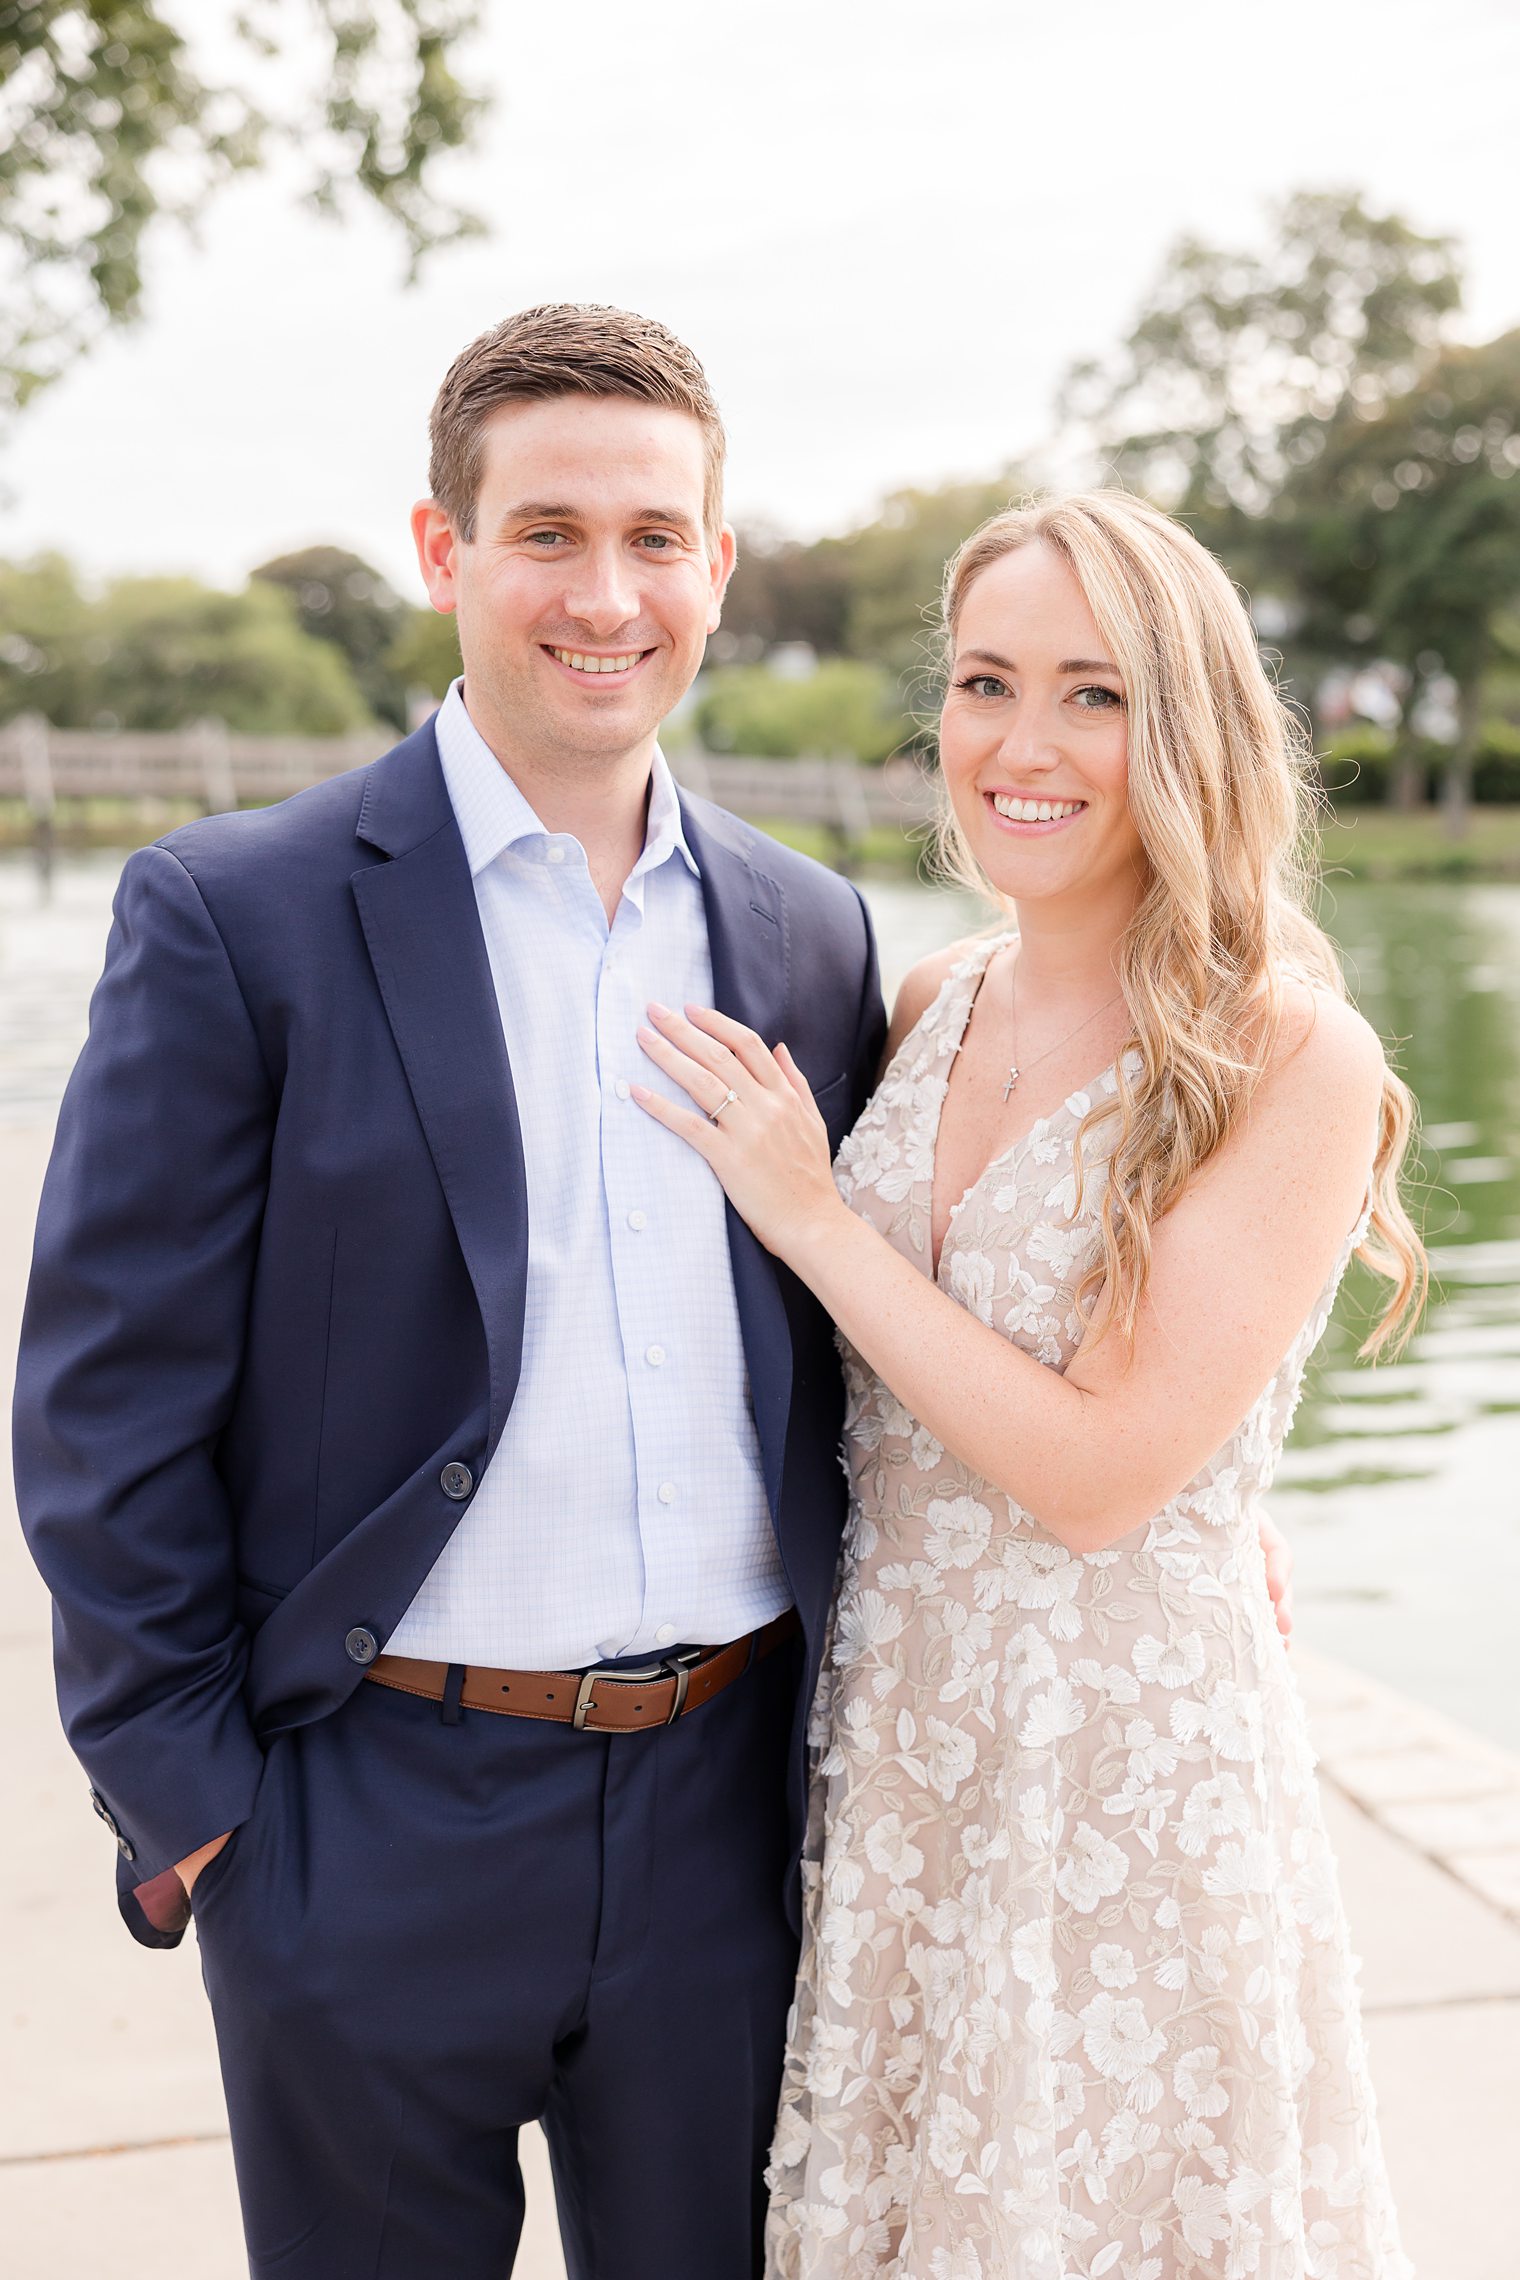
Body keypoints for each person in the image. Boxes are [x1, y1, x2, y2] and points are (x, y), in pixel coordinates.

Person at [14, 304, 890, 2279]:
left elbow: (875, 1335)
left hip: (721, 1820)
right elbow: (101, 1397)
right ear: (444, 553)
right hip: (364, 1816)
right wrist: (194, 1803)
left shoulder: (805, 931)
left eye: (657, 538)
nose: (607, 591)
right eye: (548, 533)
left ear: (718, 569)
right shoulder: (237, 915)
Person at [631, 491, 1425, 2278]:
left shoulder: (1281, 1050)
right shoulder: (930, 1001)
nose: (1025, 744)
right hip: (905, 1755)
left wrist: (814, 1217)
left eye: (1095, 693)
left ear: (1187, 723)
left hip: (1123, 1778)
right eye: (988, 683)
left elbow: (1102, 1477)